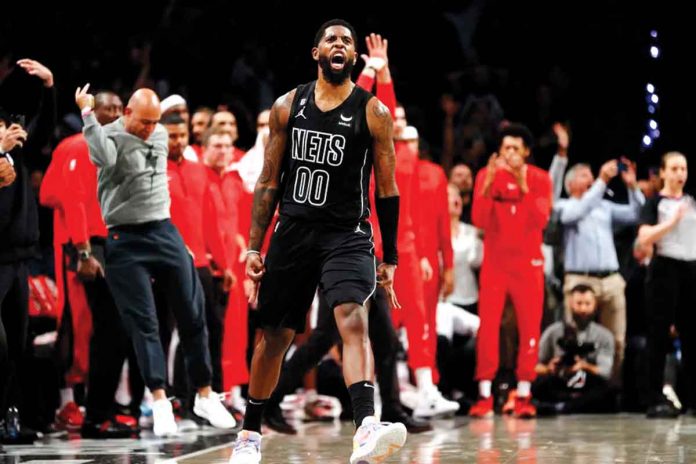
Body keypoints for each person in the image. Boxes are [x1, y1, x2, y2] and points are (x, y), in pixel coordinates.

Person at [229, 19, 406, 464]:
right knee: (273, 336)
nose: (341, 44)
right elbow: (268, 181)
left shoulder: (373, 112)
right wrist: (254, 245)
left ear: (353, 56)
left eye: (348, 40)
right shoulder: (289, 106)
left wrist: (392, 257)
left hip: (347, 235)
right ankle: (250, 434)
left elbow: (387, 188)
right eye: (332, 39)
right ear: (317, 53)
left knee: (352, 318)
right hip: (293, 231)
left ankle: (365, 426)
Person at [74, 85, 235, 436]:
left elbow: (157, 183)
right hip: (125, 238)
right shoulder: (109, 136)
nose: (150, 129)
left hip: (164, 231)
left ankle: (205, 394)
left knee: (194, 314)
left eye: (154, 122)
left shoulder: (160, 132)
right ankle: (160, 400)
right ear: (127, 114)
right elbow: (101, 157)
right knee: (145, 324)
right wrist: (87, 114)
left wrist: (179, 244)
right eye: (144, 122)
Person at [469, 123, 552, 419]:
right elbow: (479, 219)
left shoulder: (541, 179)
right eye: (506, 148)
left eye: (517, 148)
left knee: (530, 328)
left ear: (527, 152)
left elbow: (541, 220)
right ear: (499, 152)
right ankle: (485, 396)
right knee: (488, 328)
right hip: (495, 264)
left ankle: (524, 394)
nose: (512, 154)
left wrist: (523, 184)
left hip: (528, 264)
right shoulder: (485, 176)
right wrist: (490, 185)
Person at [549, 132, 644, 384]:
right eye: (583, 175)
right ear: (570, 184)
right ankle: (570, 387)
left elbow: (637, 213)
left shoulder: (604, 207)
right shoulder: (565, 206)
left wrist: (632, 186)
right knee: (574, 340)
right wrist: (602, 181)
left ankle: (612, 390)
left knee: (617, 339)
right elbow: (575, 214)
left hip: (611, 279)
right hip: (580, 280)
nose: (590, 178)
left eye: (591, 174)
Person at [0, 58, 56, 443]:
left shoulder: (18, 149)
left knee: (17, 346)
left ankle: (9, 419)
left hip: (19, 257)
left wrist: (49, 89)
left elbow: (43, 131)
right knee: (1, 347)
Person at [638, 152, 696, 418]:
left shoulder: (692, 201)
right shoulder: (654, 202)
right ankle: (654, 398)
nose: (680, 174)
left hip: (690, 268)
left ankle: (692, 398)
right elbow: (645, 237)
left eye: (683, 168)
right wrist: (672, 222)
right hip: (664, 267)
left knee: (691, 334)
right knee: (659, 335)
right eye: (674, 168)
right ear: (662, 173)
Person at [534, 284, 615, 414]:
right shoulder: (554, 332)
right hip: (559, 380)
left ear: (595, 305)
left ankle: (563, 407)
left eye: (588, 304)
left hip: (586, 383)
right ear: (570, 304)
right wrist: (549, 368)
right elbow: (534, 366)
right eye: (579, 303)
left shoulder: (604, 336)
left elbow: (606, 371)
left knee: (608, 392)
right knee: (538, 385)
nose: (583, 309)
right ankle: (563, 406)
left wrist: (584, 366)